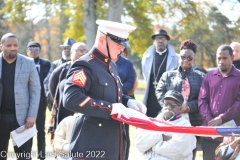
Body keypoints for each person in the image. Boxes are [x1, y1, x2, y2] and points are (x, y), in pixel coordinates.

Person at [63, 19, 147, 160]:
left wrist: (128, 102)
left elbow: (110, 94)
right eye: (118, 44)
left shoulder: (111, 65)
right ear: (102, 40)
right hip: (91, 146)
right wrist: (110, 108)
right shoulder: (85, 65)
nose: (122, 49)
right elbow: (71, 98)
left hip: (112, 145)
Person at [155, 39, 205, 159]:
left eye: (189, 58)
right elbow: (159, 92)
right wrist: (171, 106)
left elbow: (203, 99)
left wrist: (188, 107)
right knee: (169, 148)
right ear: (179, 57)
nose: (186, 60)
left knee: (189, 151)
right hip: (170, 118)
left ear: (194, 59)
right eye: (183, 57)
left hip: (193, 120)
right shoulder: (167, 75)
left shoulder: (202, 77)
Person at [0, 33, 41, 160]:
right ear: (1, 46)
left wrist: (32, 115)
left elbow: (35, 90)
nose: (13, 48)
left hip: (23, 119)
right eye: (9, 45)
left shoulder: (28, 63)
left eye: (15, 45)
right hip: (1, 117)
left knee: (24, 156)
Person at [198, 44, 240, 160]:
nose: (221, 61)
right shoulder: (209, 76)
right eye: (219, 58)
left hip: (232, 136)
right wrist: (210, 119)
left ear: (232, 57)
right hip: (210, 134)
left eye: (225, 58)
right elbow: (202, 100)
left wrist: (222, 118)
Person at [135, 90, 196, 160]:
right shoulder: (153, 121)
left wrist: (152, 147)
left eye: (174, 105)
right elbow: (139, 144)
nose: (169, 107)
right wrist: (161, 137)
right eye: (166, 103)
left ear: (180, 108)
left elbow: (177, 151)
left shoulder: (184, 125)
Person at [48, 42, 88, 137]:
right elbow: (53, 90)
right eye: (79, 51)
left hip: (85, 115)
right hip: (64, 113)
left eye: (85, 51)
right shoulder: (60, 71)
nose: (82, 53)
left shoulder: (92, 70)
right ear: (71, 52)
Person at [142, 29, 179, 118]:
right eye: (158, 38)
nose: (160, 41)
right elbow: (145, 76)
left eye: (163, 38)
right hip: (150, 96)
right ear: (154, 41)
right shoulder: (147, 57)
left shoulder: (176, 59)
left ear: (167, 41)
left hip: (166, 97)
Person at [26, 41, 51, 160]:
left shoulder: (46, 64)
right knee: (28, 129)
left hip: (41, 101)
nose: (33, 50)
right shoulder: (23, 63)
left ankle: (42, 156)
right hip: (26, 102)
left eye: (36, 48)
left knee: (40, 129)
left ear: (40, 50)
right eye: (31, 48)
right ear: (27, 51)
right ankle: (27, 156)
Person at [43, 37, 76, 110]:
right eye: (64, 48)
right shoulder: (56, 64)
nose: (66, 50)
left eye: (69, 48)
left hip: (74, 101)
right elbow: (46, 81)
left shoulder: (79, 63)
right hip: (58, 102)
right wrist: (52, 96)